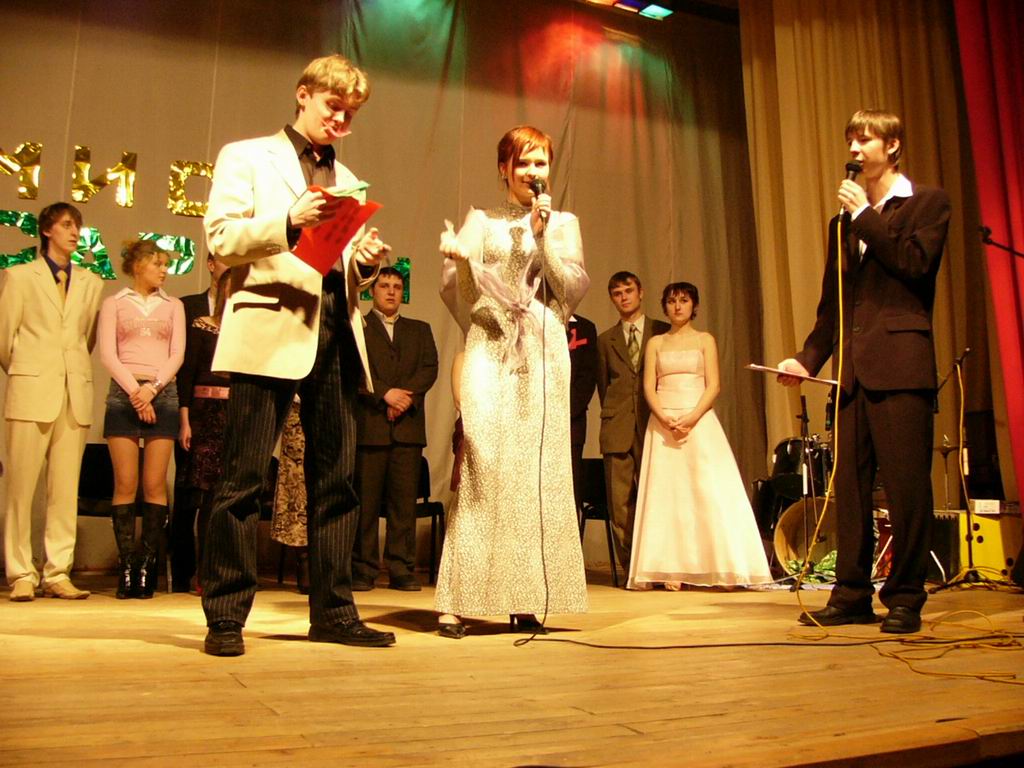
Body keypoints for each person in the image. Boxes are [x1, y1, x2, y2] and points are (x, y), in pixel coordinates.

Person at [199, 53, 393, 656]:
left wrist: (363, 264)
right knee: (242, 479)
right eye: (334, 107)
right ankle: (225, 616)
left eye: (351, 114)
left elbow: (339, 263)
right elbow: (221, 238)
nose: (342, 121)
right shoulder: (247, 155)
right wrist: (286, 220)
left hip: (334, 333)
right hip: (269, 327)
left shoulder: (349, 177)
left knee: (337, 483)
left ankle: (333, 612)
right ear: (304, 94)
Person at [777, 109, 951, 634]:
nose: (854, 149)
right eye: (850, 140)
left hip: (901, 367)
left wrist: (866, 218)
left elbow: (915, 265)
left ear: (892, 146)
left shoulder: (926, 203)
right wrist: (807, 360)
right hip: (853, 372)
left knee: (906, 488)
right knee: (849, 488)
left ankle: (905, 597)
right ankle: (851, 593)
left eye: (865, 139)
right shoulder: (842, 224)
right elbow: (834, 304)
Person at [436, 125, 589, 638]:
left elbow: (570, 291)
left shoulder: (563, 223)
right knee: (483, 467)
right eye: (523, 162)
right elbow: (461, 293)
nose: (532, 171)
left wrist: (542, 239)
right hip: (490, 344)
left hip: (542, 352)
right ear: (504, 168)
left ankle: (526, 595)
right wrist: (462, 264)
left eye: (540, 162)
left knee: (535, 474)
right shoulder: (480, 221)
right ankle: (456, 600)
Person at [628, 283, 772, 590]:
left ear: (694, 305)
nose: (678, 306)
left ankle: (724, 566)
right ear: (664, 306)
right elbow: (648, 386)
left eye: (684, 300)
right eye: (671, 301)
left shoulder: (705, 340)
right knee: (668, 495)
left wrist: (692, 417)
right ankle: (670, 568)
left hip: (699, 420)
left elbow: (713, 385)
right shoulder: (655, 342)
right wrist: (664, 416)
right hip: (664, 422)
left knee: (709, 490)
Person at [0, 202, 103, 601]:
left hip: (73, 391)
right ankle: (20, 572)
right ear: (47, 230)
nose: (74, 232)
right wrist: (30, 368)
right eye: (66, 225)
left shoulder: (91, 282)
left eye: (77, 225)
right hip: (31, 388)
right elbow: (5, 338)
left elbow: (86, 338)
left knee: (64, 487)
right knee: (21, 486)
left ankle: (58, 570)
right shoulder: (19, 276)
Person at [99, 240, 186, 598]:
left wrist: (152, 389)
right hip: (124, 393)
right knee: (125, 482)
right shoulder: (115, 303)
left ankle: (147, 566)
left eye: (166, 265)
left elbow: (177, 353)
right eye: (157, 264)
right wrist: (136, 392)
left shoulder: (174, 306)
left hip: (161, 393)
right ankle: (126, 567)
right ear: (138, 266)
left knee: (154, 483)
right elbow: (108, 354)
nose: (164, 271)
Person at [352, 267, 439, 592]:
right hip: (371, 428)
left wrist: (404, 399)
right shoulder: (358, 327)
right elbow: (355, 370)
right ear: (371, 291)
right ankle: (363, 569)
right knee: (366, 505)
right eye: (384, 285)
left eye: (397, 287)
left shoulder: (420, 329)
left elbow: (429, 368)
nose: (391, 291)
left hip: (407, 430)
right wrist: (384, 394)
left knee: (403, 505)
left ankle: (401, 569)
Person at [597, 272, 669, 575]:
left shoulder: (662, 331)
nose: (624, 297)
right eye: (617, 293)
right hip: (617, 427)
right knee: (620, 503)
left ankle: (662, 564)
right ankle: (631, 568)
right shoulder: (605, 340)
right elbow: (604, 385)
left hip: (655, 423)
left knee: (660, 496)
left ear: (641, 292)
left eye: (628, 290)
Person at [170, 253, 229, 592]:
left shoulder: (244, 312)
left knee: (217, 498)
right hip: (197, 412)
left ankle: (211, 573)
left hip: (229, 412)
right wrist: (185, 416)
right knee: (188, 494)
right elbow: (185, 367)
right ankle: (181, 574)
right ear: (210, 264)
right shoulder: (188, 307)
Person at [567, 313, 598, 523]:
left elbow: (588, 377)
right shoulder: (532, 322)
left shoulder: (585, 327)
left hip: (571, 423)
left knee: (571, 488)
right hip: (535, 424)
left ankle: (571, 542)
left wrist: (563, 412)